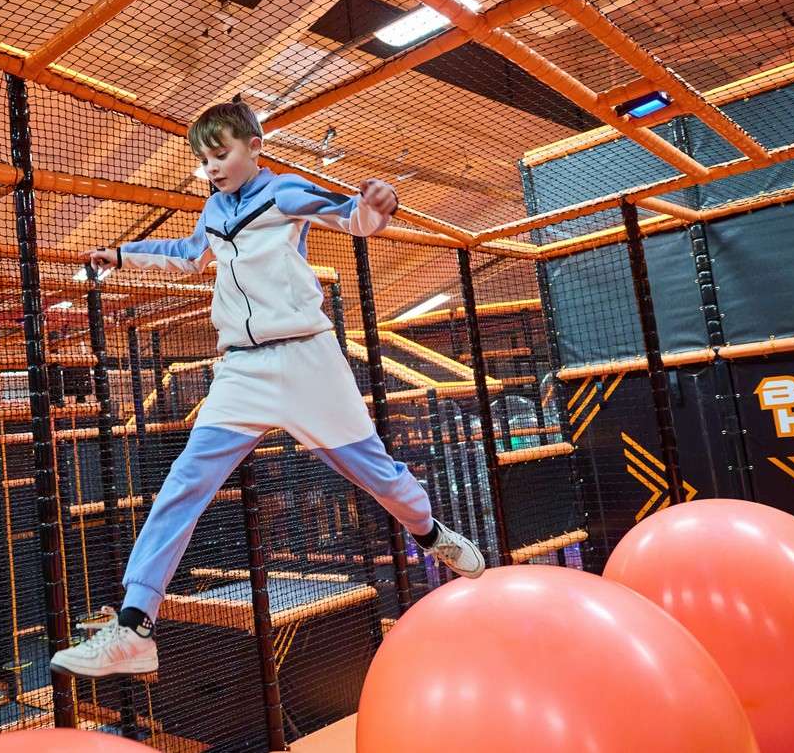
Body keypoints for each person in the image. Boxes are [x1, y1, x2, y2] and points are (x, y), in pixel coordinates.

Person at [50, 100, 485, 679]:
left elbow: (349, 217)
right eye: (204, 159)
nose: (212, 167)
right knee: (183, 483)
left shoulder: (284, 193)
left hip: (307, 359)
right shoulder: (212, 210)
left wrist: (380, 207)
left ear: (255, 145)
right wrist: (124, 254)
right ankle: (134, 627)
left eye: (222, 153)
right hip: (242, 369)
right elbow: (185, 254)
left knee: (376, 474)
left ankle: (430, 531)